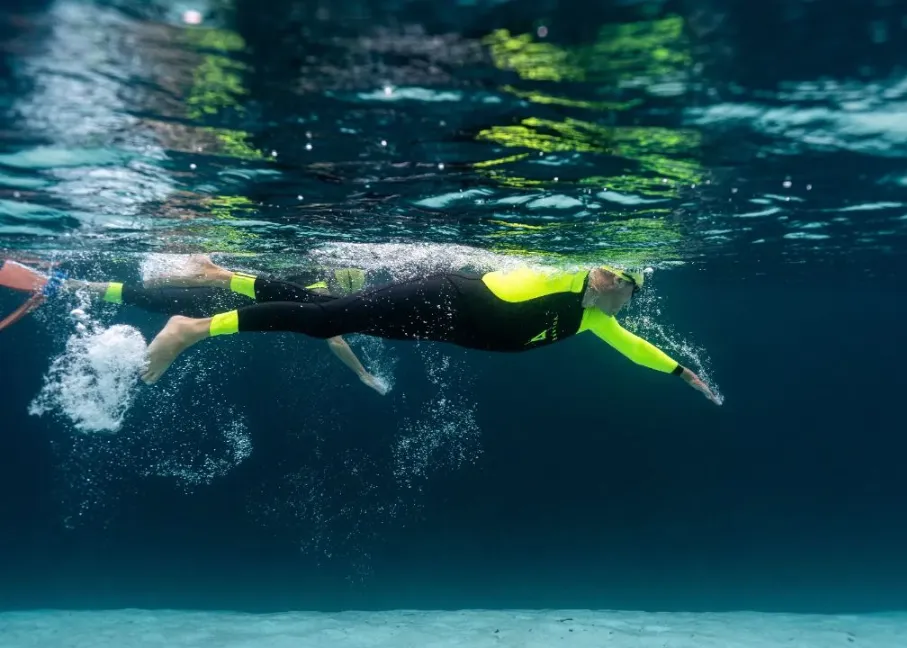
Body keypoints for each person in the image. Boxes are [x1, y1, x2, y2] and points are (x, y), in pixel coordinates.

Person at [140, 263, 722, 405]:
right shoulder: (562, 274)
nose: (614, 288)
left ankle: (223, 275)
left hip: (438, 328)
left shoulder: (596, 318)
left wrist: (680, 371)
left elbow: (635, 348)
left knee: (328, 309)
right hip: (439, 295)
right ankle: (190, 328)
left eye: (624, 286)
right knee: (326, 319)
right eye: (616, 278)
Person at [0, 256, 389, 395]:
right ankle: (57, 284)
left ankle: (58, 284)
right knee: (147, 295)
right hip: (218, 305)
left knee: (140, 294)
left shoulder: (305, 279)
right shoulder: (321, 296)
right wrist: (363, 374)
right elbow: (335, 338)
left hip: (213, 295)